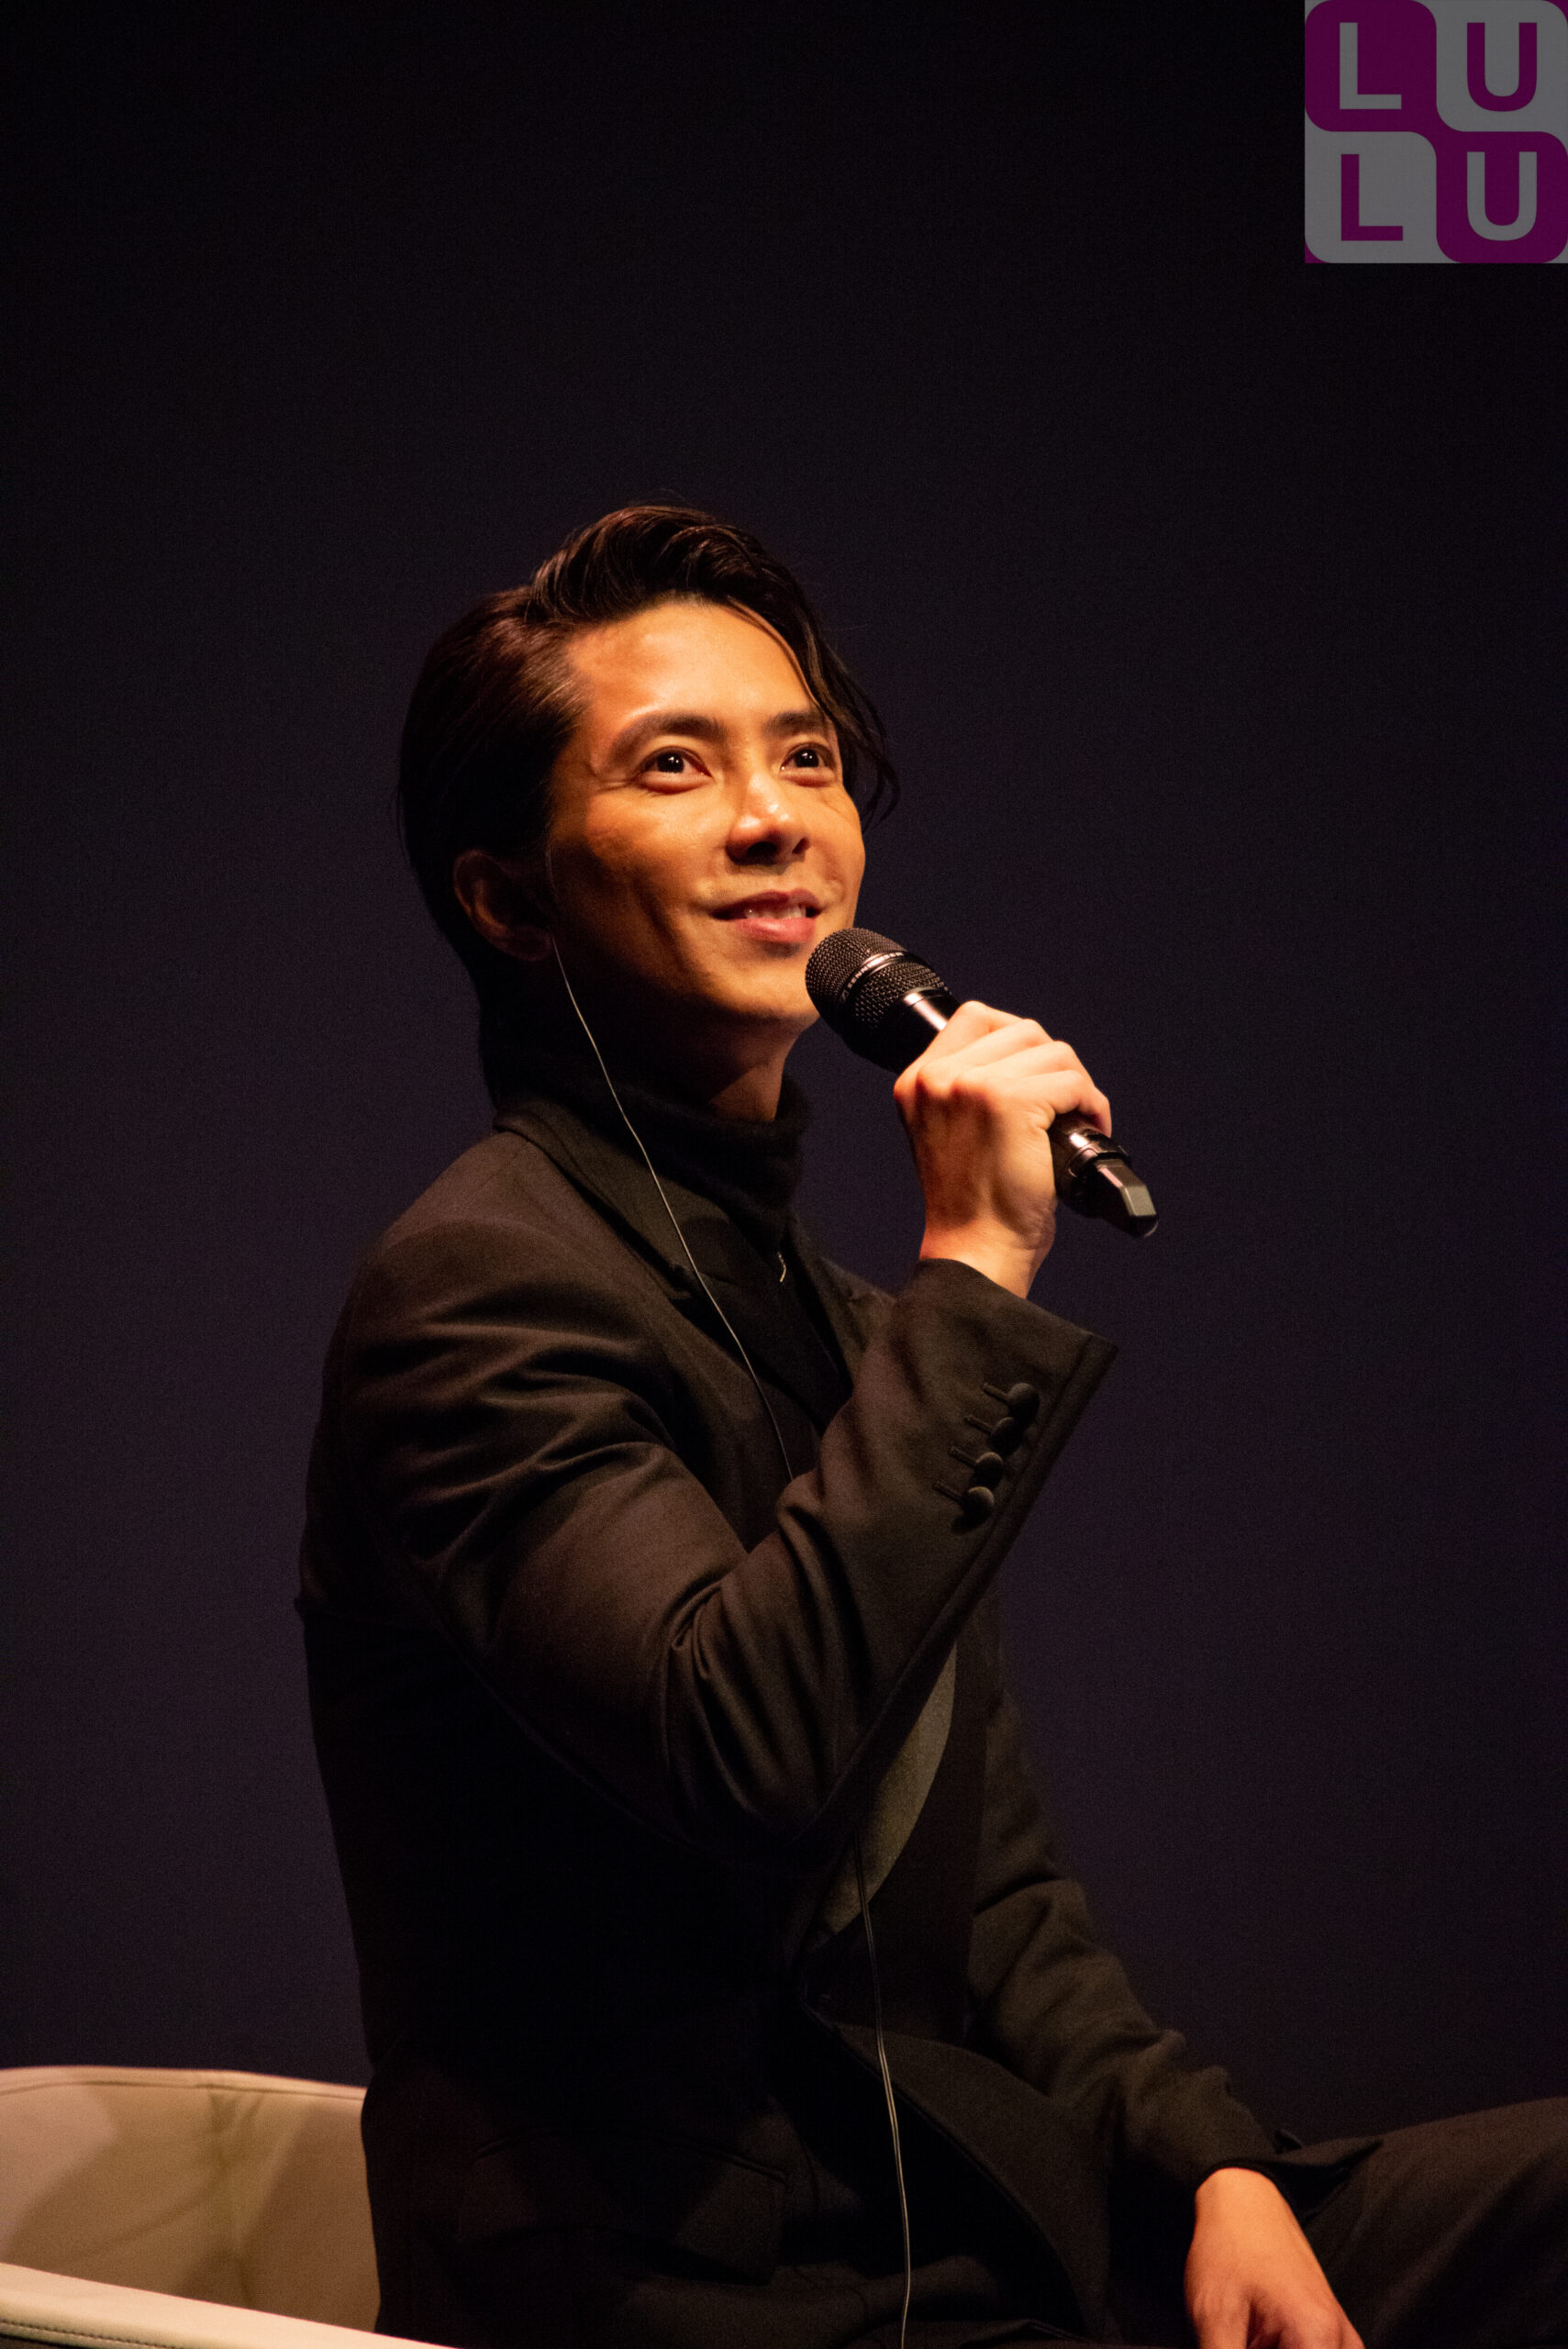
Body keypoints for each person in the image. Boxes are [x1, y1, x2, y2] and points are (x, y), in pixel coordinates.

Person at [299, 506, 1566, 2349]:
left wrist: (1208, 2160)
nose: (774, 818)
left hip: (998, 2216)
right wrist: (976, 1266)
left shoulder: (839, 1324)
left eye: (805, 756)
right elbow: (746, 1753)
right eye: (675, 766)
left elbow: (985, 1884)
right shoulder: (477, 1291)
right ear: (508, 898)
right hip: (720, 2295)